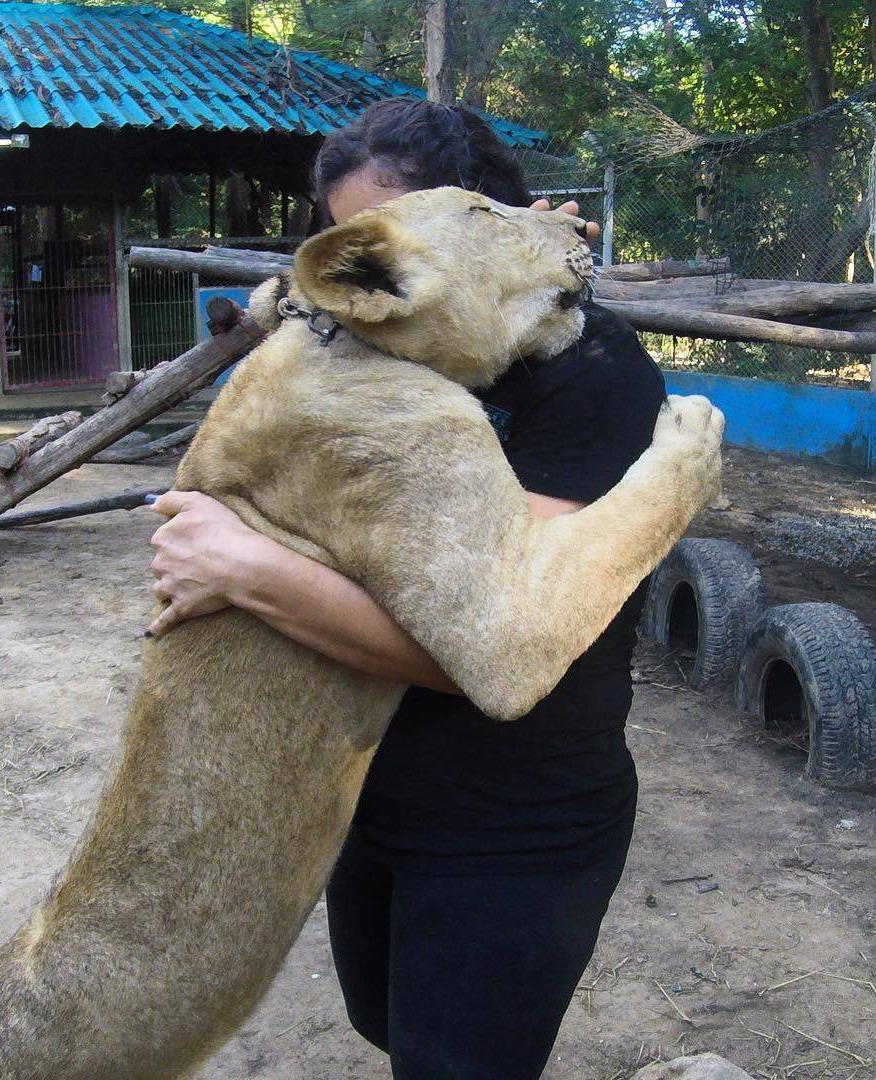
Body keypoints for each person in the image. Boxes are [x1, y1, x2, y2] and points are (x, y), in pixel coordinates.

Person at [147, 98, 665, 1079]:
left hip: (516, 823)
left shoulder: (592, 372)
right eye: (359, 241)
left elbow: (505, 637)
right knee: (386, 1023)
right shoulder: (369, 341)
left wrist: (247, 569)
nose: (386, 262)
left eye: (422, 222)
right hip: (370, 796)